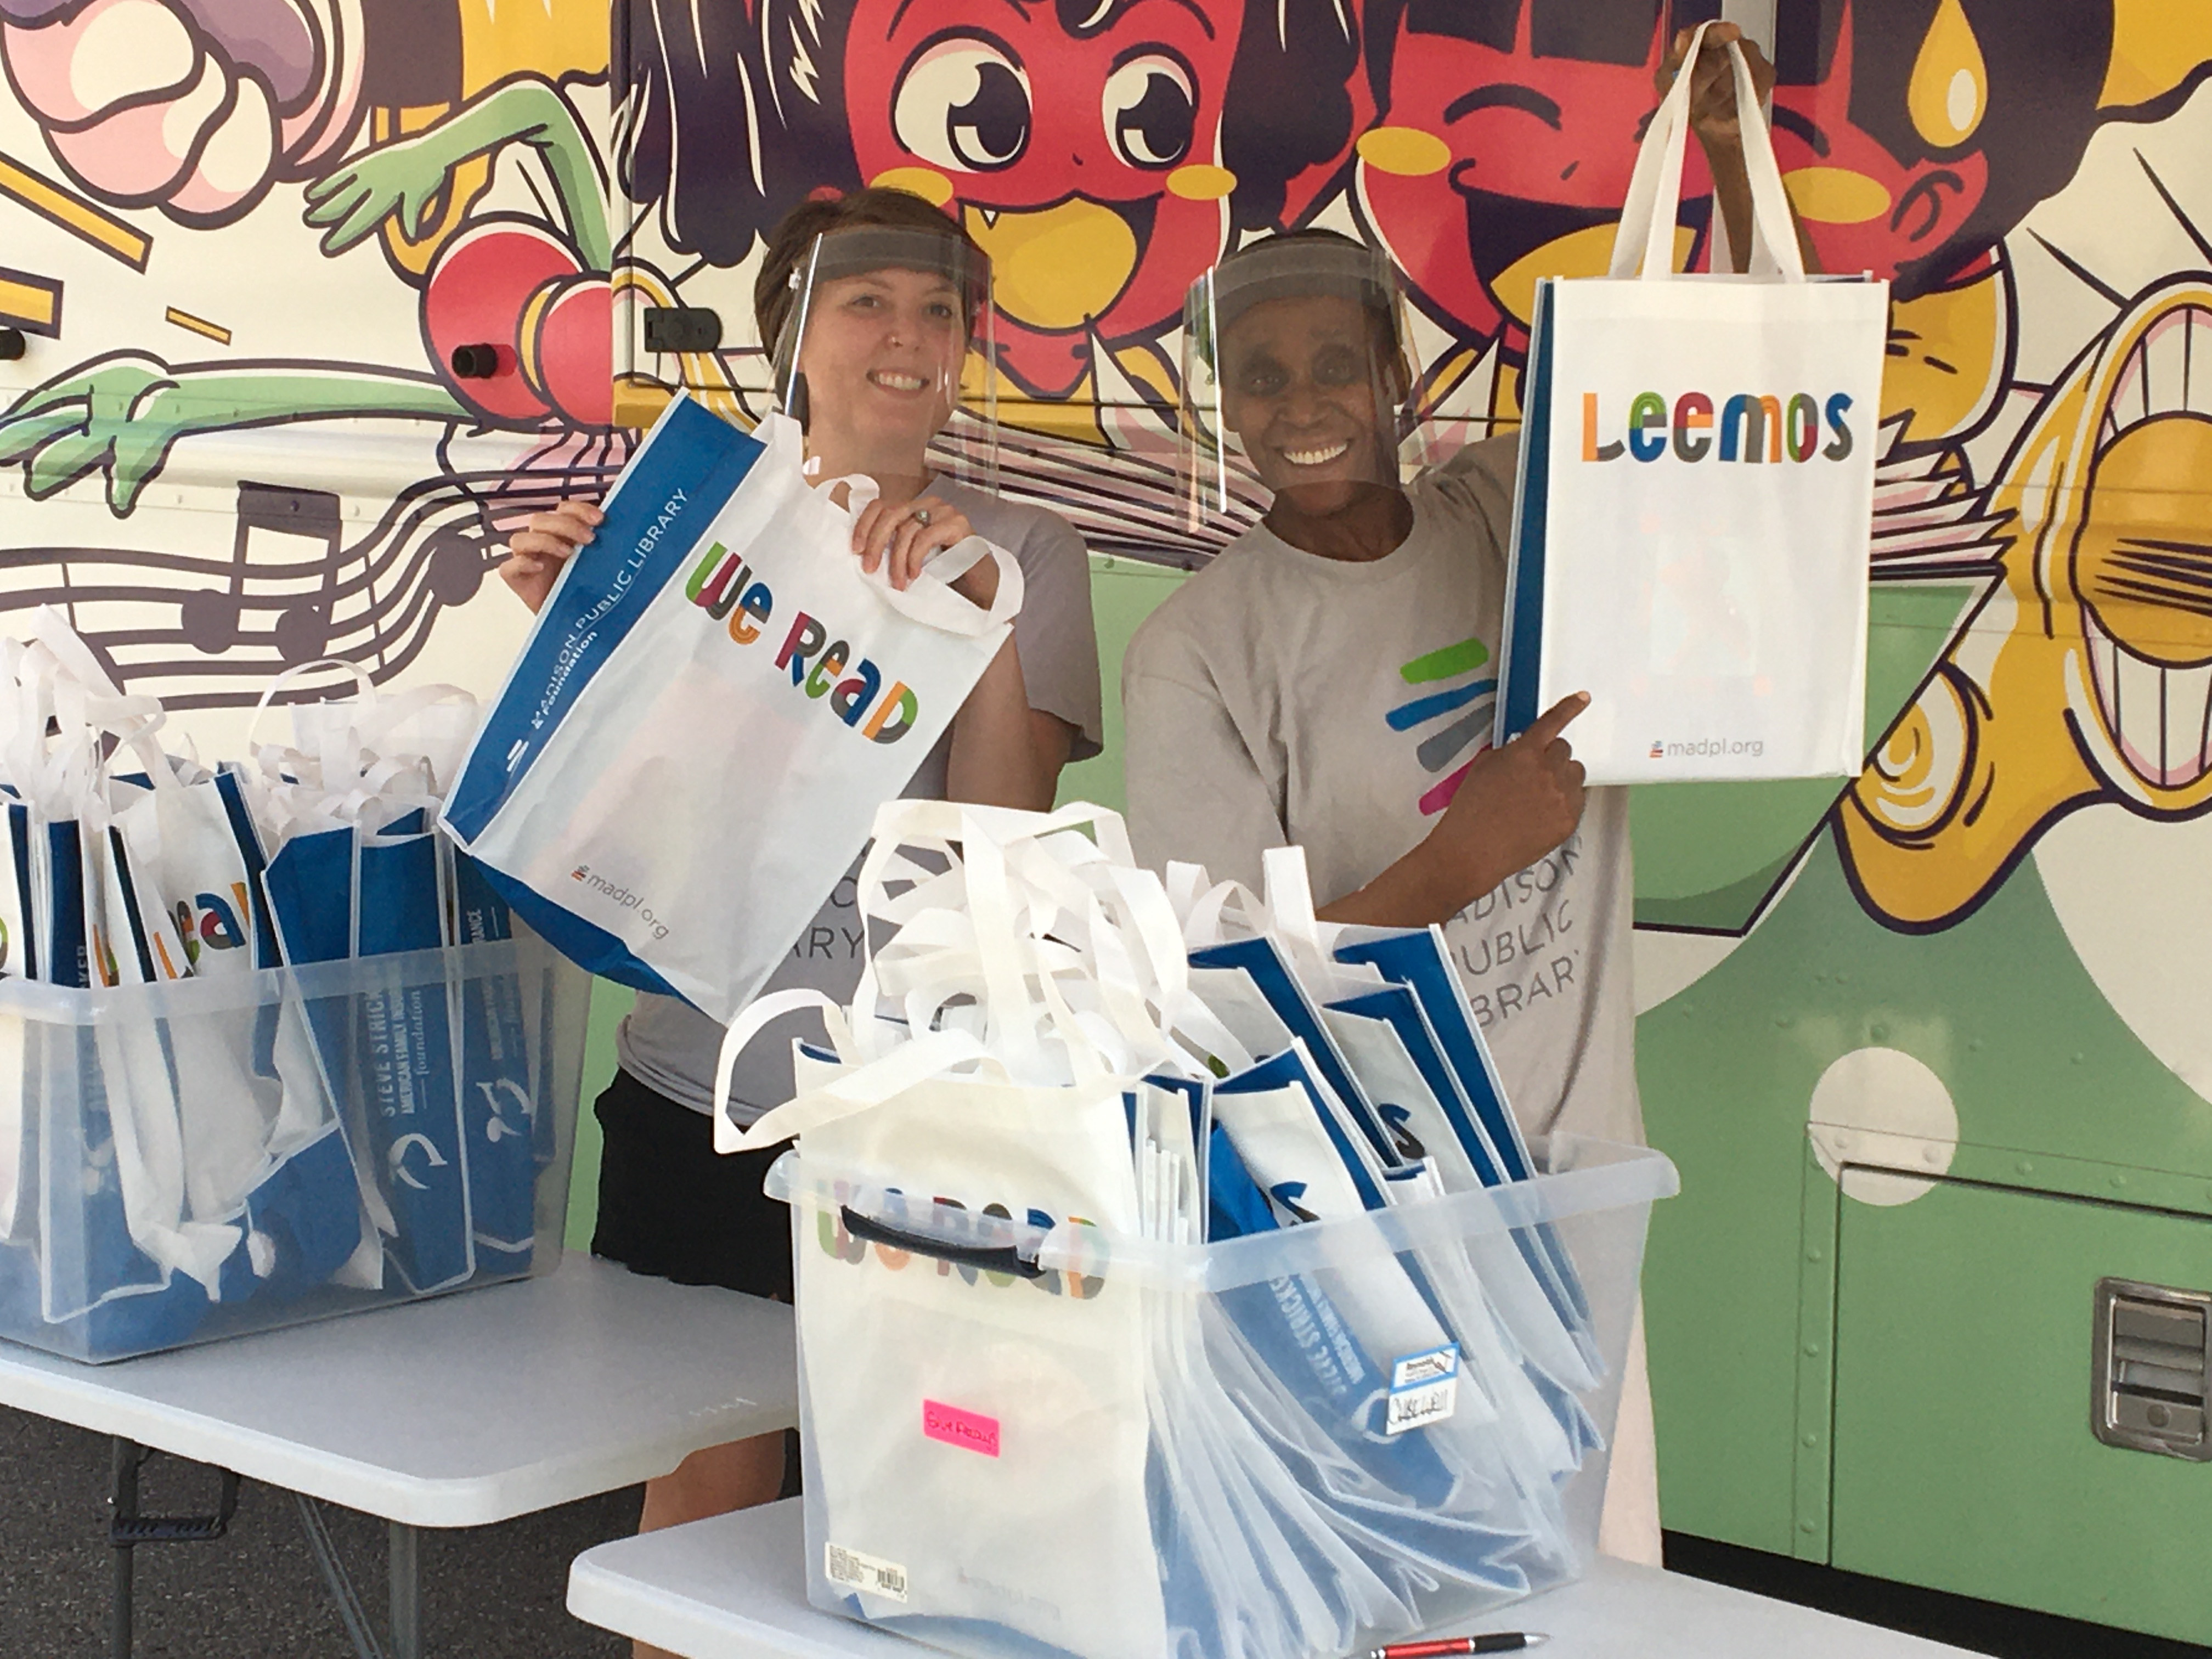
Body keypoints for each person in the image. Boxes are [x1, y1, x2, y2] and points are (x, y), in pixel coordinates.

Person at [1124, 24, 1792, 1563]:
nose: (1304, 403)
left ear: (1399, 377)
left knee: (1591, 1574)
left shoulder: (1512, 512)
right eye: (1263, 374)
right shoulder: (1196, 654)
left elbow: (1726, 415)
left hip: (1581, 1164)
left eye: (1337, 363)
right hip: (1384, 1205)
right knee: (1413, 1571)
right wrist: (1465, 857)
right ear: (1227, 403)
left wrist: (1721, 184)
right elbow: (1228, 1003)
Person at [500, 188, 1102, 1657]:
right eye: (866, 302)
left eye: (939, 311)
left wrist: (981, 612)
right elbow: (626, 821)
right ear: (791, 334)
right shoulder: (695, 518)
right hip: (694, 1092)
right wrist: (572, 628)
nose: (906, 338)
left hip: (913, 1121)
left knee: (919, 1509)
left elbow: (1005, 845)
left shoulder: (1030, 544)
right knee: (703, 1505)